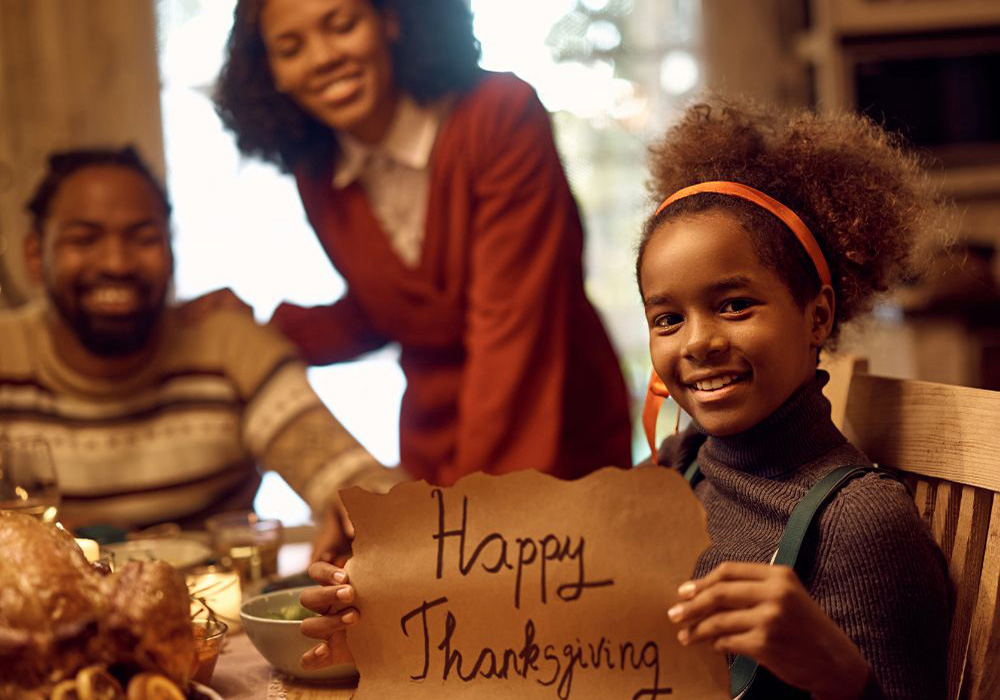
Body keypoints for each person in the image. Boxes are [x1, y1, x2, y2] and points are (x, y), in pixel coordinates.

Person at [295, 100, 953, 698]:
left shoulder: (859, 525)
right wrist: (391, 616)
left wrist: (832, 669)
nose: (698, 342)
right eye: (668, 319)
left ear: (818, 315)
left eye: (733, 305)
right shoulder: (681, 468)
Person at [209, 0, 632, 486]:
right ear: (273, 73)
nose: (323, 57)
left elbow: (511, 328)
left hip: (550, 432)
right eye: (290, 48)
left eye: (342, 25)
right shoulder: (318, 172)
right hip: (432, 446)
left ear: (390, 20)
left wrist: (462, 509)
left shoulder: (500, 115)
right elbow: (398, 306)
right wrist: (249, 335)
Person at [0, 146, 399, 555]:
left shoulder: (228, 348)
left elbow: (350, 477)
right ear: (35, 256)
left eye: (144, 238)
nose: (116, 263)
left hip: (216, 611)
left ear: (172, 252)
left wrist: (361, 513)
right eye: (84, 239)